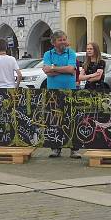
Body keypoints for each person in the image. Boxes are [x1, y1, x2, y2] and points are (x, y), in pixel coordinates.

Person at [42, 30, 80, 158]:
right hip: (53, 92)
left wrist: (54, 68)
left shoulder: (71, 53)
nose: (64, 42)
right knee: (54, 121)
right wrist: (65, 70)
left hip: (70, 91)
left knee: (71, 120)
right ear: (54, 43)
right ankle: (55, 148)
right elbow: (47, 72)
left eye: (64, 39)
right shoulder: (48, 54)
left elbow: (71, 69)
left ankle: (74, 149)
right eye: (60, 40)